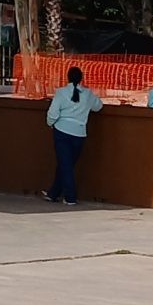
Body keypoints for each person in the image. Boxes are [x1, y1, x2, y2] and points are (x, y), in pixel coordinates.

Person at [45, 66, 103, 205]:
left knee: (66, 165)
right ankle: (53, 193)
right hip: (79, 134)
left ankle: (70, 197)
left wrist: (50, 123)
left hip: (62, 132)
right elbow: (98, 106)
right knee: (66, 164)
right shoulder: (88, 94)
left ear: (68, 77)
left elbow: (53, 113)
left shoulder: (61, 93)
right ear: (81, 78)